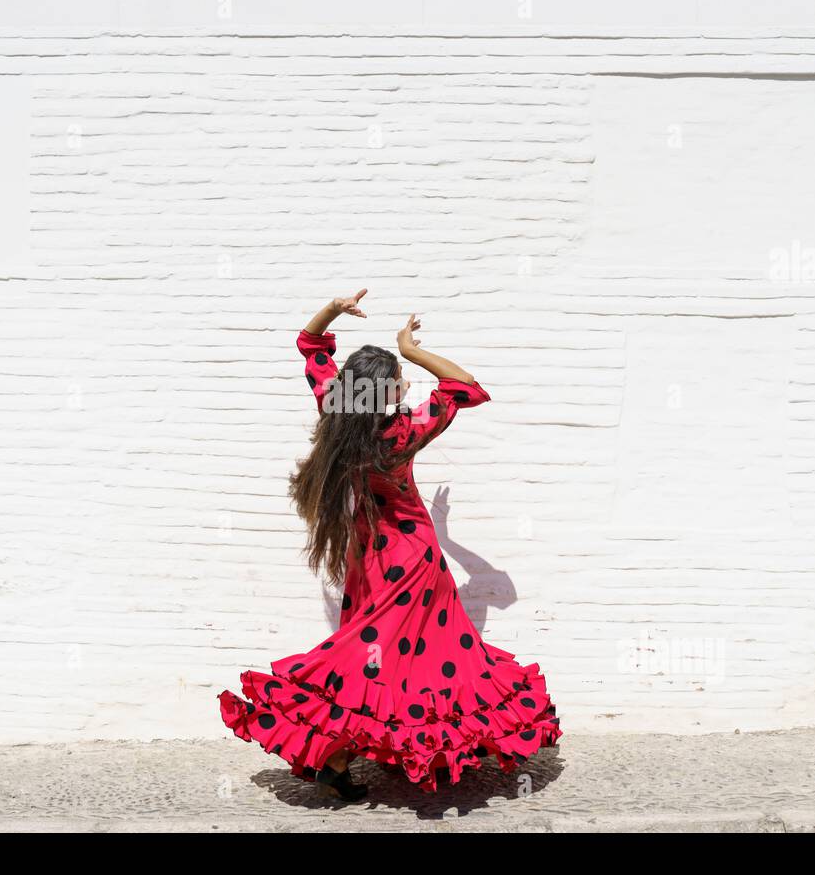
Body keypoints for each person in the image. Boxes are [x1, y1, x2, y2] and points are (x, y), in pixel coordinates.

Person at [218, 290, 561, 801]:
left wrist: (334, 309)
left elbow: (310, 343)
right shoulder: (404, 431)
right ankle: (364, 752)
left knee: (383, 657)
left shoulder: (338, 410)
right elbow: (464, 386)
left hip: (369, 554)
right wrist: (412, 348)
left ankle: (370, 750)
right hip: (414, 557)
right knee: (414, 658)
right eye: (400, 379)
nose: (406, 384)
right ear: (387, 393)